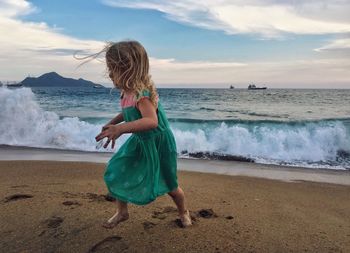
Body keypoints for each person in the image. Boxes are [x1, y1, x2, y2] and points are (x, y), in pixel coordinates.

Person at [95, 40, 192, 228]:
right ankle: (122, 212)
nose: (109, 74)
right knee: (117, 171)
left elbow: (151, 121)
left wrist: (121, 129)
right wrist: (112, 124)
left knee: (171, 186)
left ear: (128, 69)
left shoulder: (143, 94)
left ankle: (183, 211)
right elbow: (128, 112)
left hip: (159, 143)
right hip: (140, 141)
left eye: (112, 69)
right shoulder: (126, 93)